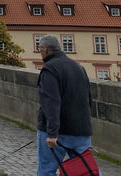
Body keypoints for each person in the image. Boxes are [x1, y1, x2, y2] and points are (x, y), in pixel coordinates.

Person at [36, 35, 95, 176]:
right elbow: (88, 100)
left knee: (47, 169)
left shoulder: (49, 69)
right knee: (86, 169)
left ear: (45, 49)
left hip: (58, 132)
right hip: (81, 131)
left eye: (40, 49)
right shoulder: (79, 67)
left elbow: (51, 103)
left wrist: (52, 133)